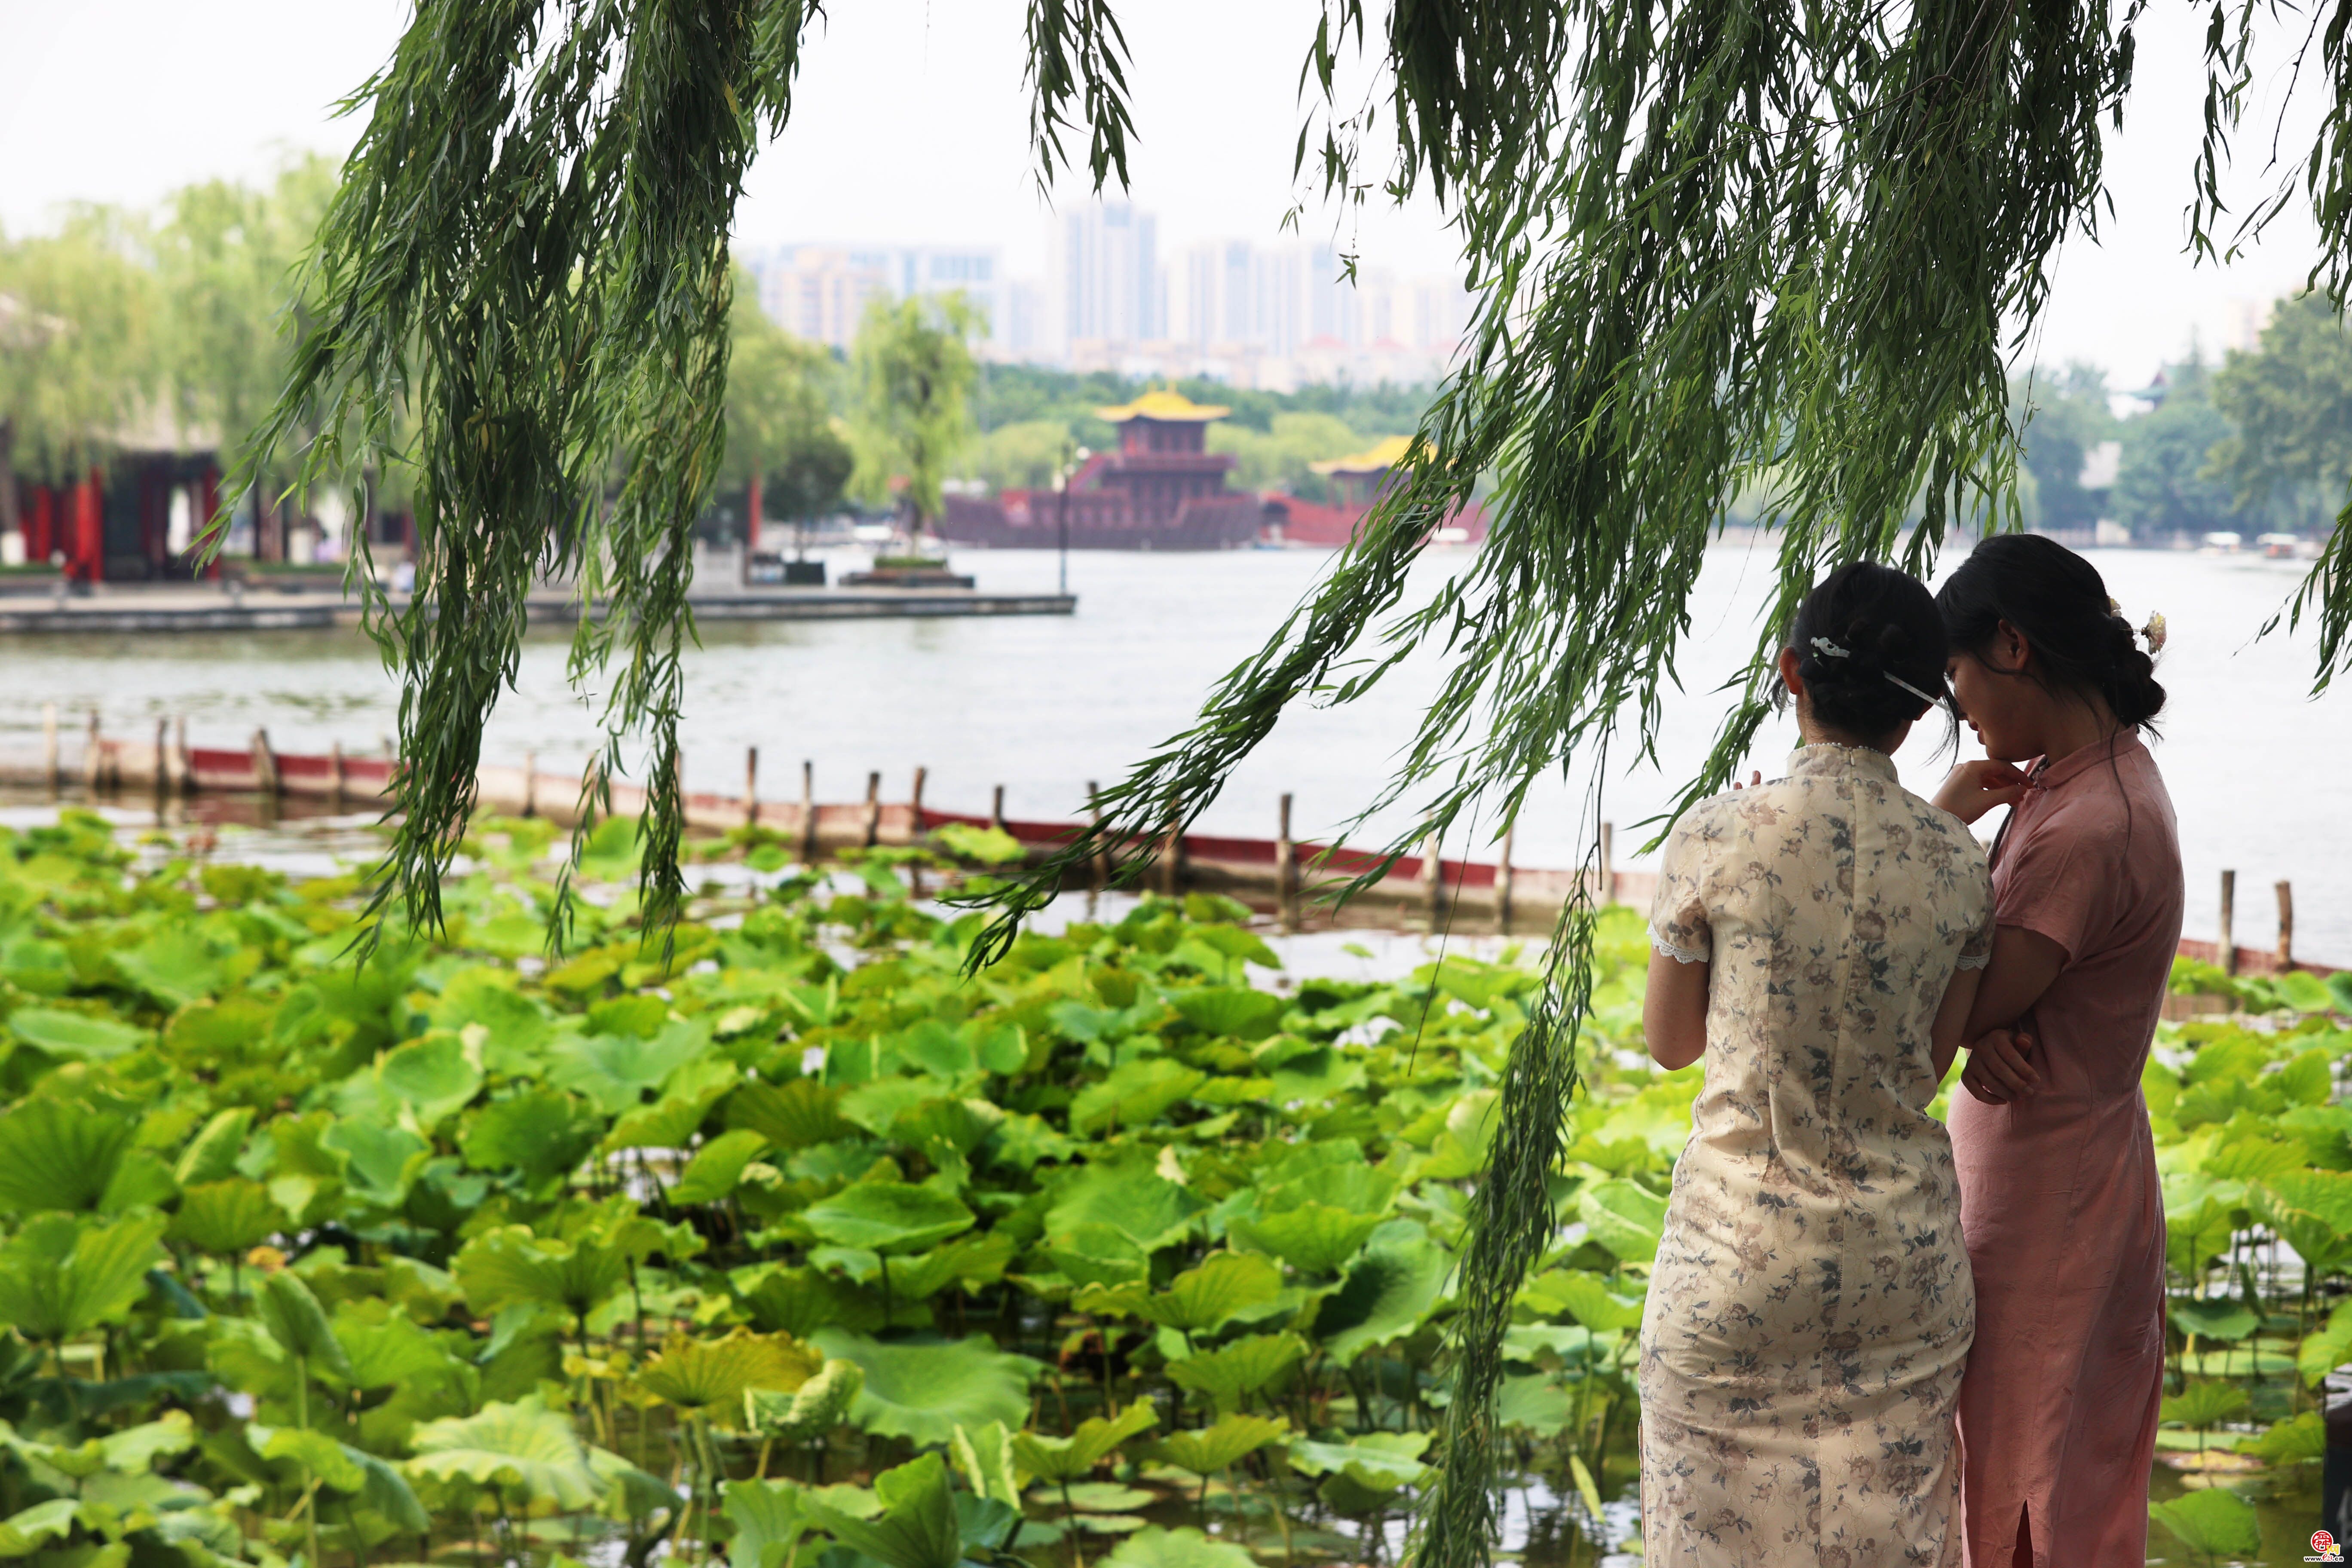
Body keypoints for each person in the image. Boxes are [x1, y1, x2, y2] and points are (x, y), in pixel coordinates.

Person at [1640, 561, 1996, 1567]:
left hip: (1733, 1272)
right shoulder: (1959, 862)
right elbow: (1922, 1068)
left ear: (1790, 670)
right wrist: (1940, 819)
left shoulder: (1718, 833)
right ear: (1924, 710)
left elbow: (1672, 1046)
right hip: (1902, 1285)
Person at [1928, 534, 2179, 1568]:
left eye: (1960, 678)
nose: (1964, 711)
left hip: (2046, 1193)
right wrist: (1987, 1026)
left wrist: (1937, 832)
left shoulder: (2084, 825)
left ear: (2014, 647)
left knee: (2020, 1476)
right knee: (2059, 1461)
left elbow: (1940, 1015)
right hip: (2077, 1156)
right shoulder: (2094, 778)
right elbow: (1991, 1008)